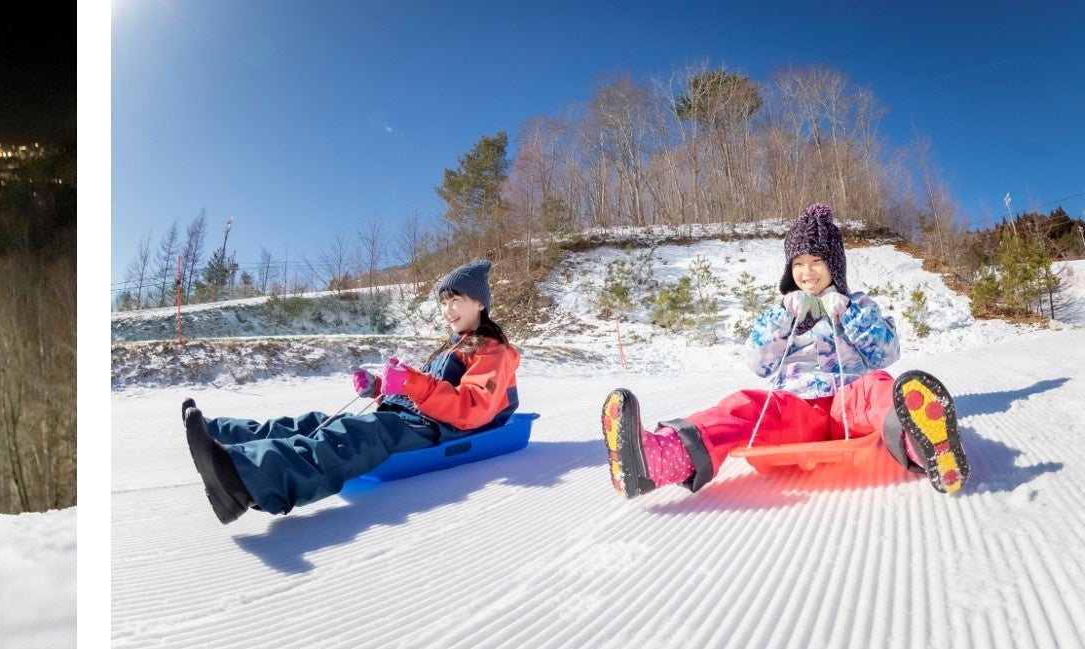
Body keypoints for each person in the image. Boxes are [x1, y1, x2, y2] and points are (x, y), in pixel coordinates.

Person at [602, 203, 964, 498]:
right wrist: (782, 318)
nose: (807, 272)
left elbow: (887, 352)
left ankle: (923, 444)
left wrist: (850, 314)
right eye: (798, 264)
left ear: (834, 265)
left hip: (849, 401)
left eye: (817, 262)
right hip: (798, 408)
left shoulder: (857, 305)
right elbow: (758, 363)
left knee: (879, 387)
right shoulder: (782, 313)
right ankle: (660, 459)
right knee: (744, 405)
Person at [181, 259, 524, 523]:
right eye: (444, 302)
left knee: (353, 434)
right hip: (416, 418)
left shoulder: (493, 352)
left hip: (439, 429)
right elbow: (426, 392)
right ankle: (219, 435)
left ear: (480, 303)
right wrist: (380, 388)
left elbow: (471, 408)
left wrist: (411, 383)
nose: (448, 310)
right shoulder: (454, 345)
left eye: (456, 301)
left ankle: (241, 480)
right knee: (316, 422)